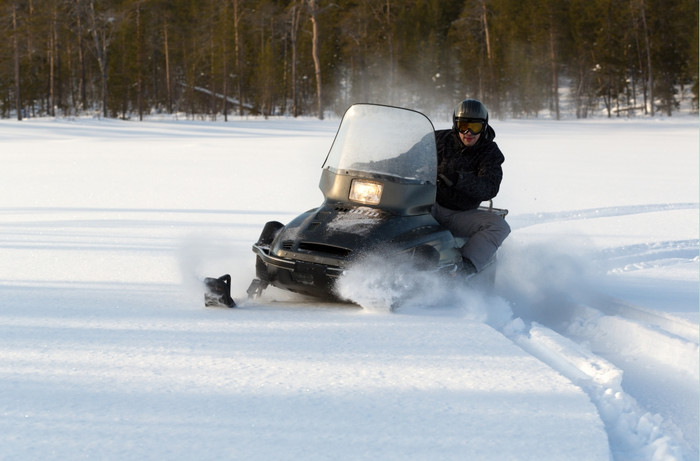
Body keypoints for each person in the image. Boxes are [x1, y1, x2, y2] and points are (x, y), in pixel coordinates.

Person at [433, 99, 510, 275]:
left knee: (500, 226)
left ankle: (463, 270)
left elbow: (489, 187)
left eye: (474, 127)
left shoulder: (490, 152)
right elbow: (407, 157)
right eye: (463, 126)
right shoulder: (438, 139)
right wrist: (373, 165)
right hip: (428, 204)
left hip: (461, 215)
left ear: (483, 127)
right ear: (455, 124)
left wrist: (458, 179)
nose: (468, 132)